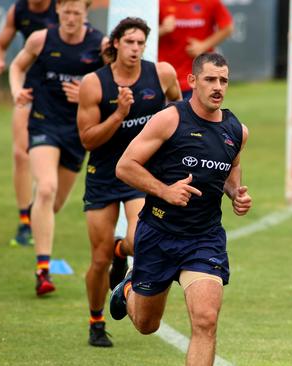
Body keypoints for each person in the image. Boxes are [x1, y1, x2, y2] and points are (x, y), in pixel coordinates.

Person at [110, 52, 252, 365]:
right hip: (158, 233)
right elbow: (125, 166)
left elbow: (231, 173)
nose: (218, 87)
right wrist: (165, 190)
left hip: (204, 238)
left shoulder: (236, 131)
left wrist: (235, 195)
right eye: (210, 79)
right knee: (147, 325)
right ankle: (129, 287)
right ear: (192, 81)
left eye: (223, 80)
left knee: (206, 321)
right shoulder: (170, 118)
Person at [76, 17, 182, 347]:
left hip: (140, 173)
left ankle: (124, 250)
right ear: (116, 43)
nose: (135, 48)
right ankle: (96, 321)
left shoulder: (161, 73)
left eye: (140, 43)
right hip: (104, 177)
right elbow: (88, 140)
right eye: (130, 42)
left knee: (139, 242)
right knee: (99, 257)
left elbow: (179, 107)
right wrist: (119, 115)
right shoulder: (94, 84)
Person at [9, 0, 107, 297]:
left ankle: (37, 228)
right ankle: (43, 270)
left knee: (53, 204)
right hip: (44, 124)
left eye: (77, 13)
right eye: (66, 12)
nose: (71, 18)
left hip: (78, 132)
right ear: (58, 11)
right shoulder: (41, 39)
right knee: (46, 188)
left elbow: (114, 85)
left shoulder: (100, 45)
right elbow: (17, 65)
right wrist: (17, 92)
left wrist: (87, 95)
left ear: (86, 14)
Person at [0, 0, 58, 247]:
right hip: (31, 88)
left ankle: (44, 210)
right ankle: (24, 221)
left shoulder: (63, 7)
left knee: (59, 170)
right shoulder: (19, 10)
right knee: (20, 154)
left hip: (61, 94)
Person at [158, 0, 234, 100]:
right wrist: (162, 29)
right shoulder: (158, 3)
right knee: (163, 115)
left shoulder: (211, 2)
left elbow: (227, 27)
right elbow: (140, 35)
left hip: (198, 77)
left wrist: (204, 45)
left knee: (196, 115)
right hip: (164, 77)